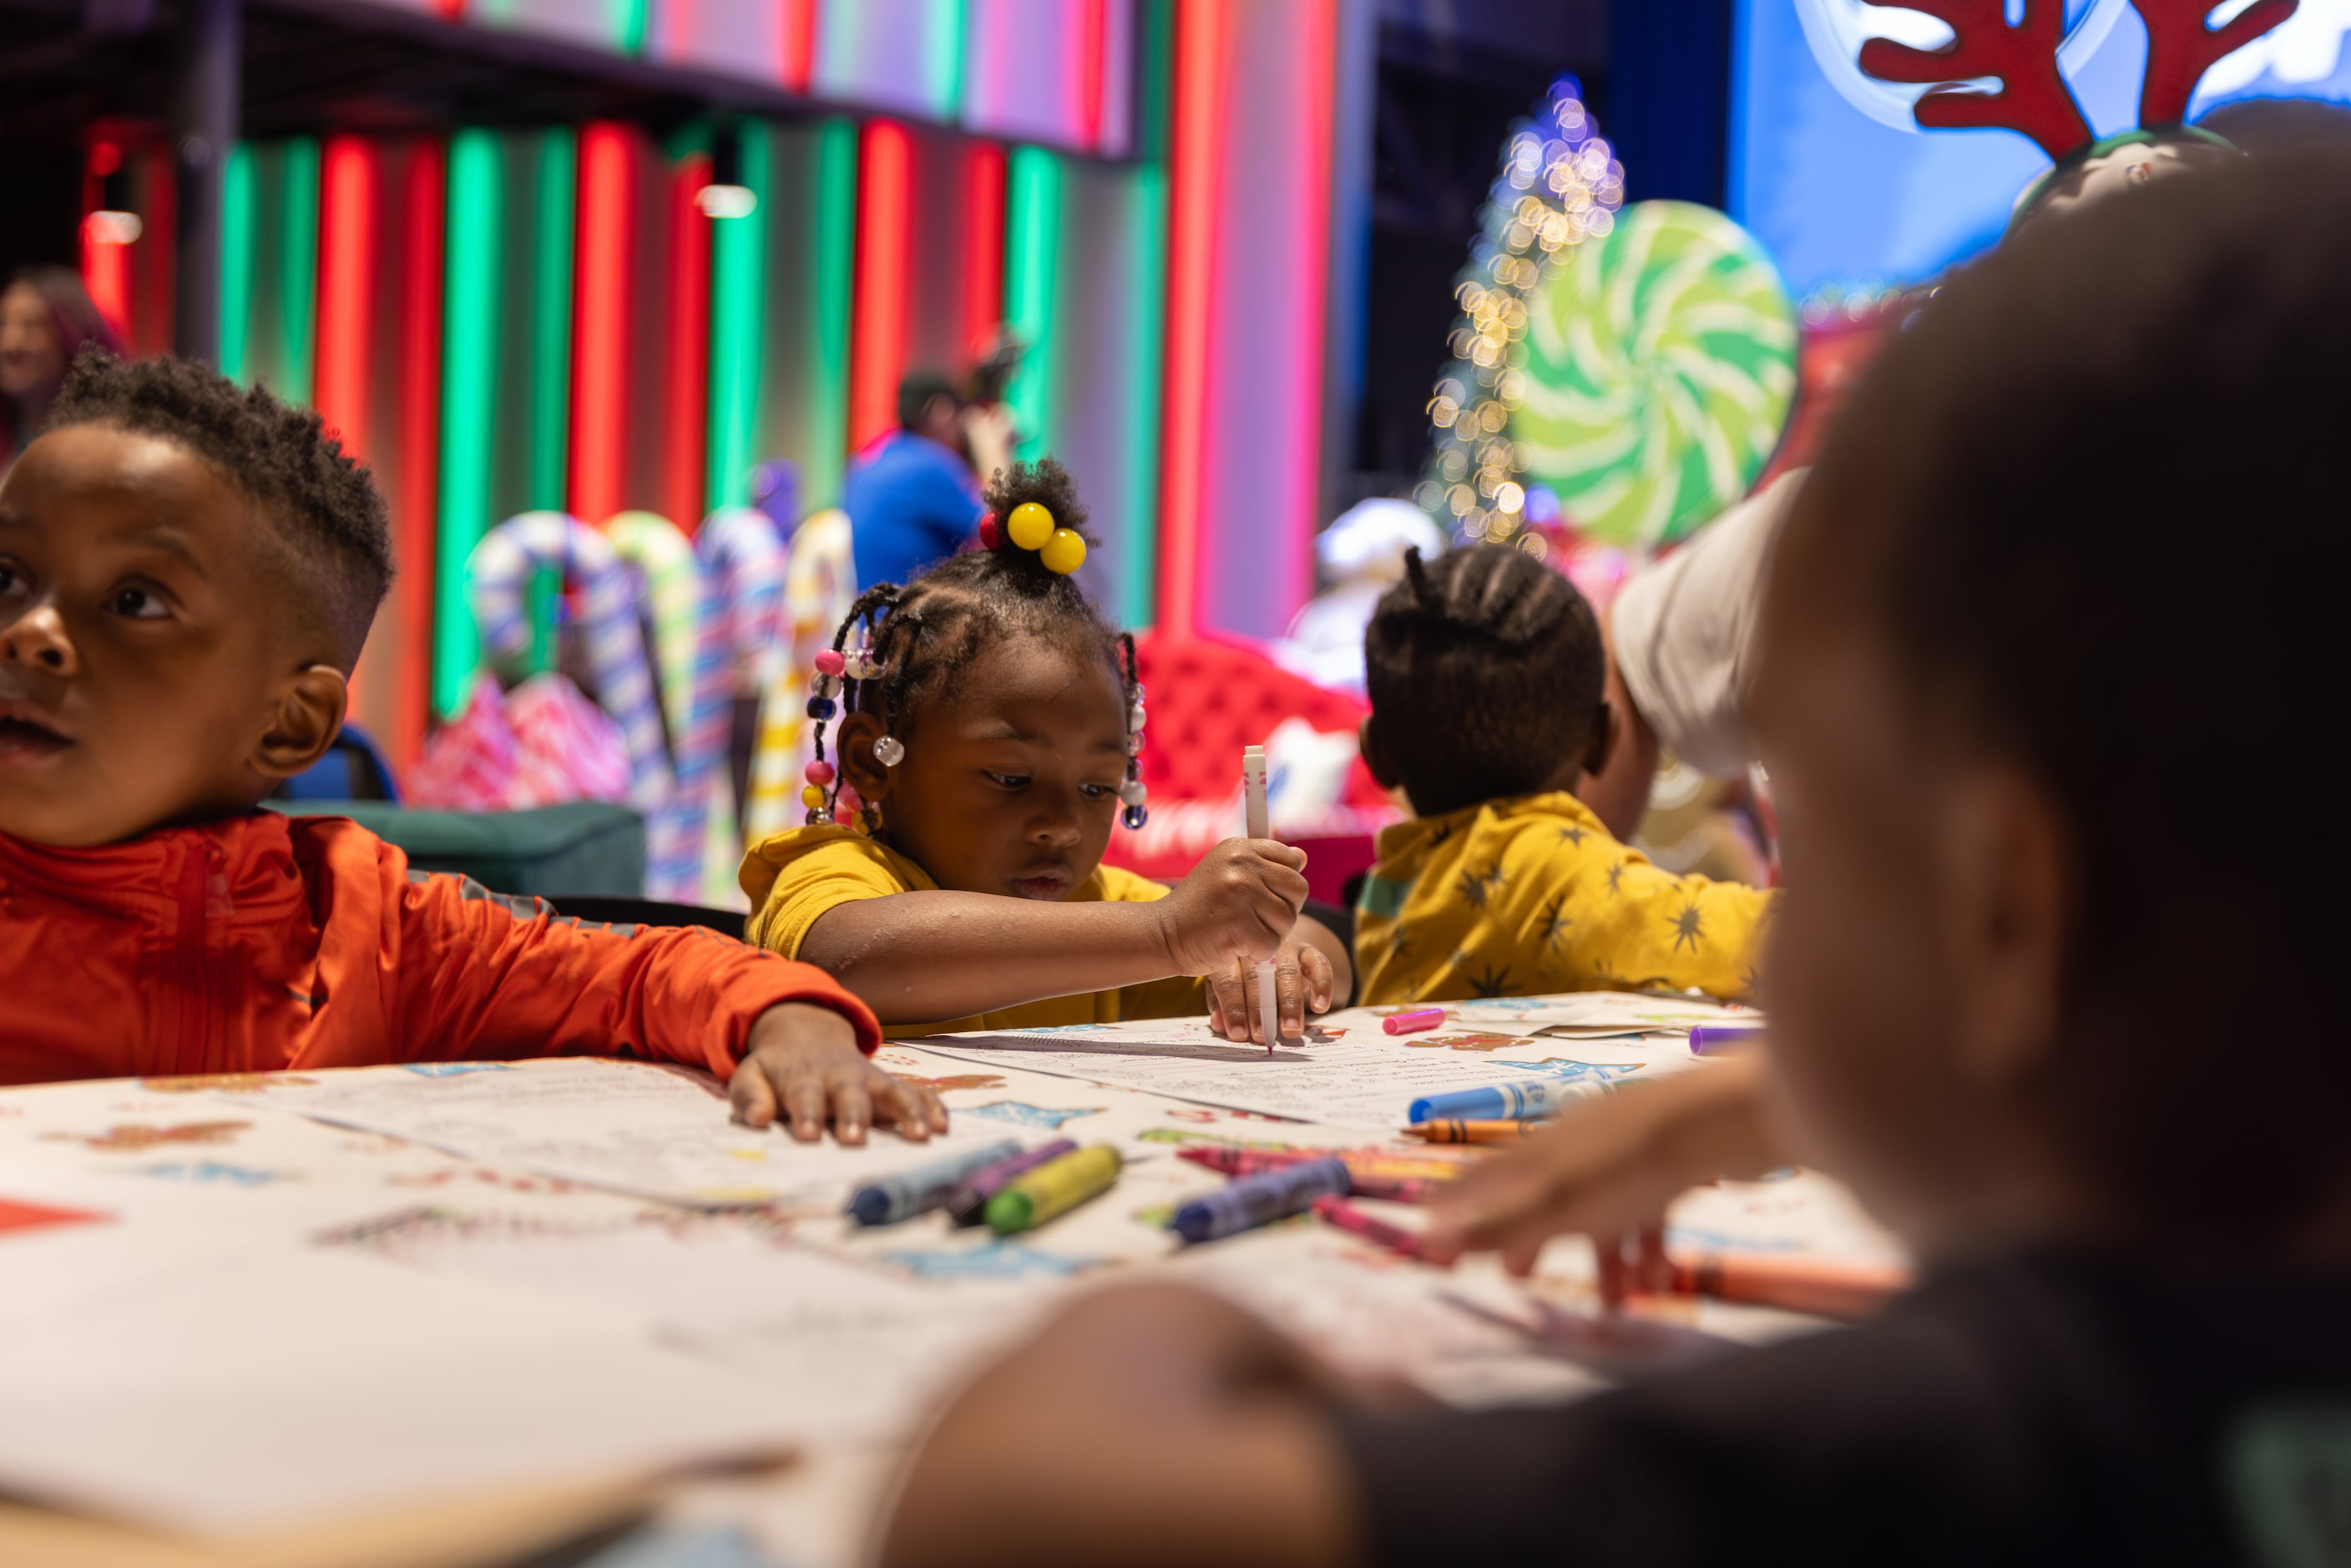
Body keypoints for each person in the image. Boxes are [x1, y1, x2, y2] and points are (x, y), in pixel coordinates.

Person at [874, 154, 2351, 1567]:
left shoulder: (1976, 1442)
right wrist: (1783, 1094)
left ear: (2008, 911)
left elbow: (1006, 1514)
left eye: (1815, 824)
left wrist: (1173, 1324)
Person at [0, 351, 939, 1145]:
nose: (29, 631)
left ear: (287, 723)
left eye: (135, 601)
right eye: (9, 574)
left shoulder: (361, 925)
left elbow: (640, 971)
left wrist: (793, 1022)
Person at [741, 459, 1350, 1044]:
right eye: (1010, 779)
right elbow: (847, 959)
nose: (1061, 825)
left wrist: (1290, 955)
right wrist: (1167, 935)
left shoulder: (1098, 902)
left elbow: (1328, 945)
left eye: (1096, 789)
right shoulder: (838, 876)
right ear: (874, 760)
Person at [1352, 542, 1770, 1004]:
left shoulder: (1390, 883)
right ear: (1603, 739)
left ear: (1376, 753)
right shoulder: (1552, 875)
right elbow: (1753, 940)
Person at [842, 370, 987, 592]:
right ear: (942, 411)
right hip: (916, 621)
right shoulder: (932, 465)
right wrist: (993, 453)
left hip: (870, 618)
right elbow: (998, 528)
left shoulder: (864, 463)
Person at [0, 266, 123, 473]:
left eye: (33, 326)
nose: (10, 345)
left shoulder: (109, 449)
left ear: (74, 339)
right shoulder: (11, 438)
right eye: (2, 325)